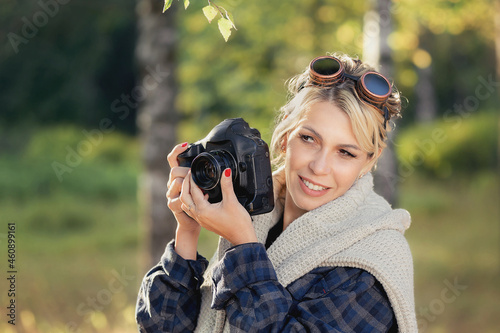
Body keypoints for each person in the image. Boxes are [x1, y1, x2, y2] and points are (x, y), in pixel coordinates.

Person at [135, 53, 417, 332]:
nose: (319, 167)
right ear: (284, 137)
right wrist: (187, 230)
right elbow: (162, 327)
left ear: (370, 160)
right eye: (309, 138)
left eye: (345, 152)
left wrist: (243, 246)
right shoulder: (255, 215)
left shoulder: (375, 260)